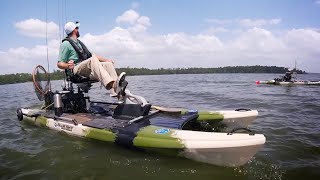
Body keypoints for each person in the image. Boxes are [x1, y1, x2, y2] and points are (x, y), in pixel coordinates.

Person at [57, 21, 126, 96]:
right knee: (92, 60)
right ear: (75, 30)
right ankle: (113, 85)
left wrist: (107, 60)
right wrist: (68, 66)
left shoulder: (79, 43)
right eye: (77, 28)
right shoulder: (65, 44)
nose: (78, 30)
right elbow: (59, 63)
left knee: (108, 65)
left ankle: (118, 94)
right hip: (75, 71)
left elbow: (92, 55)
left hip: (86, 68)